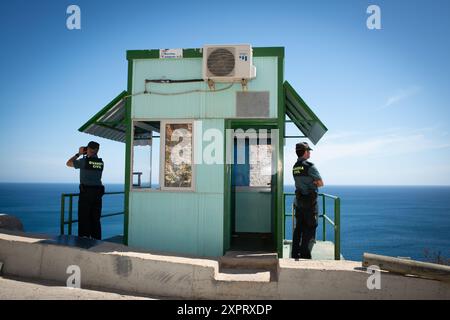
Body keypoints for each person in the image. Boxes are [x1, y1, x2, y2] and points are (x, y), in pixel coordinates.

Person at [291, 142, 324, 260]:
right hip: (310, 203)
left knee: (299, 227)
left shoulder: (295, 167)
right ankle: (304, 254)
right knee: (310, 227)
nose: (309, 152)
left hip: (299, 202)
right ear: (305, 152)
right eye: (308, 150)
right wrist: (313, 182)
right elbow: (320, 183)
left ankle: (294, 253)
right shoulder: (310, 166)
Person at [66, 141, 105, 240]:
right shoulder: (101, 163)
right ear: (97, 150)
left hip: (86, 193)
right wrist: (87, 153)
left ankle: (84, 241)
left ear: (88, 149)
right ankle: (96, 240)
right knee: (95, 219)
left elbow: (68, 163)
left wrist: (78, 153)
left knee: (84, 218)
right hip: (98, 193)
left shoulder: (83, 162)